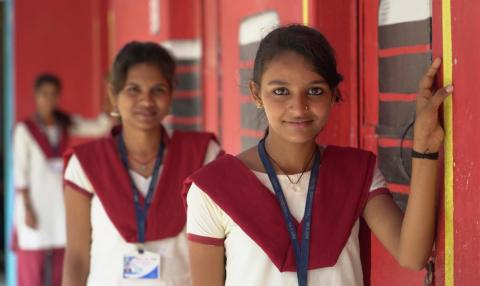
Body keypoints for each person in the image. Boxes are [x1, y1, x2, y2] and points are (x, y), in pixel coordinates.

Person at [184, 24, 451, 286]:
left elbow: (412, 256)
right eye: (280, 91)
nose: (299, 107)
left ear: (334, 94)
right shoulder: (213, 188)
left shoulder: (356, 173)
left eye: (315, 91)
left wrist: (425, 151)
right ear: (256, 94)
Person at [62, 41, 221, 286]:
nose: (146, 101)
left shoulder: (202, 155)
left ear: (170, 95)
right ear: (114, 95)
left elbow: (221, 248)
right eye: (133, 89)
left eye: (157, 90)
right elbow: (77, 257)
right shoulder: (85, 163)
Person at [12, 73, 112, 286]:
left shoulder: (65, 124)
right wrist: (27, 209)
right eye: (44, 94)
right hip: (33, 205)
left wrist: (109, 92)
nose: (48, 99)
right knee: (32, 267)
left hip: (58, 204)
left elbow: (100, 127)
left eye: (53, 94)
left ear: (59, 97)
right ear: (36, 96)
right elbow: (20, 174)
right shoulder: (24, 130)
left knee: (61, 264)